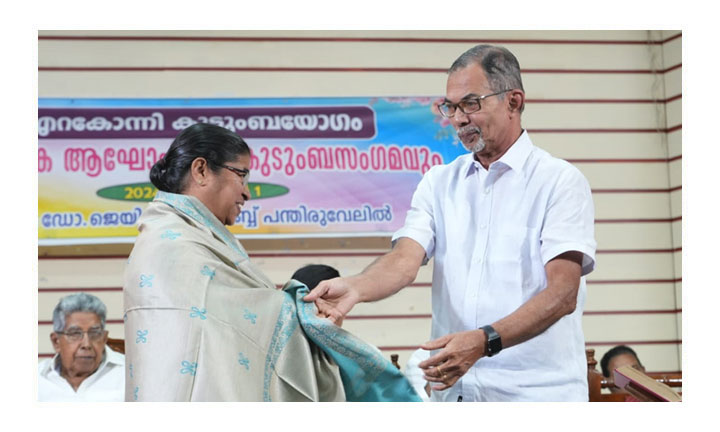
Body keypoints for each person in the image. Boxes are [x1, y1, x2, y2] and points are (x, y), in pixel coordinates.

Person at [304, 44, 597, 401]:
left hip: (537, 396)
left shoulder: (559, 182)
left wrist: (483, 340)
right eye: (450, 106)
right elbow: (403, 261)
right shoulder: (439, 182)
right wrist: (356, 287)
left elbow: (563, 294)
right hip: (458, 397)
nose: (458, 119)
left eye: (471, 103)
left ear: (514, 102)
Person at [124, 123, 419, 402]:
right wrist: (305, 309)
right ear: (201, 170)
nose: (247, 192)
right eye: (241, 175)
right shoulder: (172, 242)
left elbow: (237, 323)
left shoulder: (188, 236)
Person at [38, 292, 124, 401]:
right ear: (56, 341)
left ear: (104, 338)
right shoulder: (38, 379)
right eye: (75, 333)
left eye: (94, 333)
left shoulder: (130, 375)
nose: (86, 344)